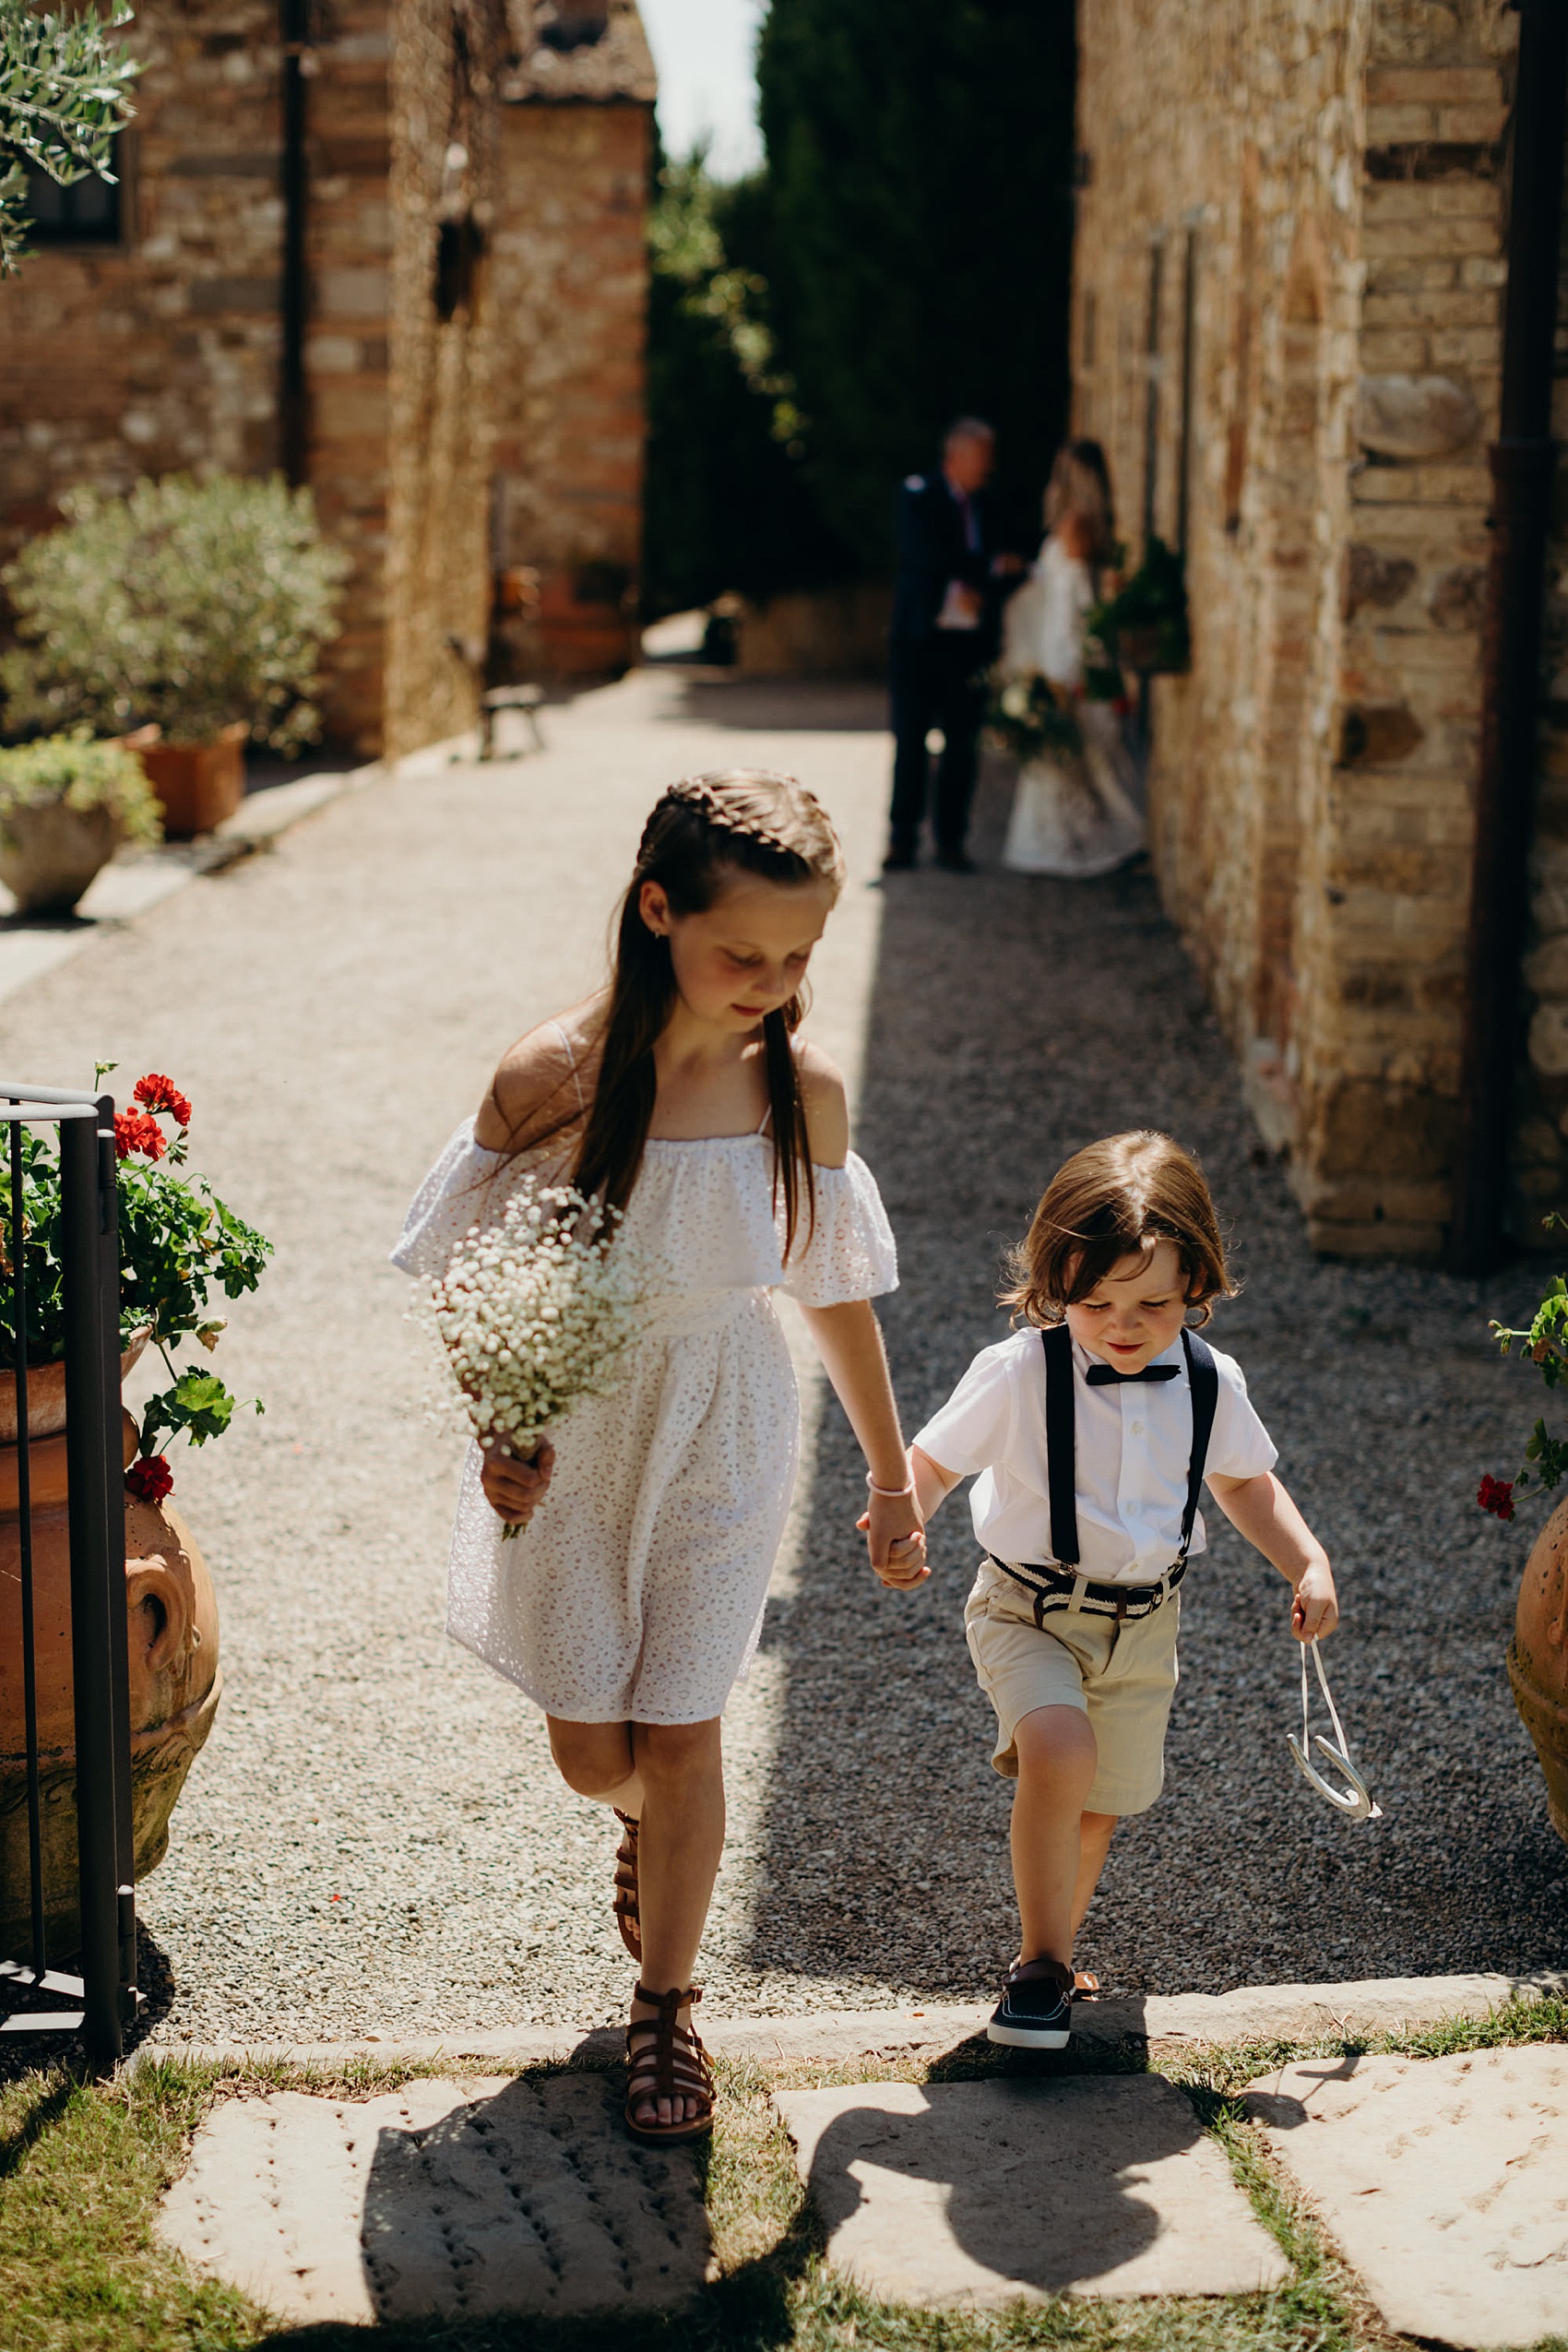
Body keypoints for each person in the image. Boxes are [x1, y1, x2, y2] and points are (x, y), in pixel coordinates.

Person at [393, 770, 928, 2144]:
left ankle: (666, 2003)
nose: (772, 979)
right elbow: (472, 1276)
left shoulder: (799, 1087)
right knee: (594, 1754)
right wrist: (502, 1426)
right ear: (655, 909)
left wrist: (887, 1473)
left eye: (799, 955)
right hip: (578, 1433)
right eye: (742, 950)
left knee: (686, 1725)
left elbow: (832, 1285)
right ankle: (642, 1821)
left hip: (730, 1425)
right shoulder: (549, 1080)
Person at [901, 1131, 1338, 2050]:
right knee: (1058, 1754)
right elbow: (932, 1459)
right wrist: (904, 1514)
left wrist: (1305, 1562)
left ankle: (1055, 1951)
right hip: (1026, 1608)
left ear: (1196, 1286)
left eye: (1149, 1301)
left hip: (1144, 1630)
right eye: (1093, 1302)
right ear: (1055, 1287)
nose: (1121, 1323)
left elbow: (1244, 1484)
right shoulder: (1021, 1372)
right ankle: (1037, 1969)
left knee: (1098, 1806)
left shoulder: (1211, 1383)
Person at [1000, 439, 1145, 878]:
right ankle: (1078, 840)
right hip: (1064, 652)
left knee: (1076, 757)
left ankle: (1087, 843)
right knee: (1077, 758)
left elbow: (1071, 605)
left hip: (1066, 656)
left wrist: (1062, 671)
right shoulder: (1087, 529)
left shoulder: (1074, 526)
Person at [886, 417, 1022, 873]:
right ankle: (902, 837)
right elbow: (926, 554)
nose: (988, 466)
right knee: (911, 740)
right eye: (981, 457)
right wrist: (980, 570)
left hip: (969, 644)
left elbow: (1013, 563)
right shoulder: (918, 494)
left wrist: (985, 584)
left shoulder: (992, 503)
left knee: (963, 744)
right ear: (956, 455)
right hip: (920, 640)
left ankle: (951, 839)